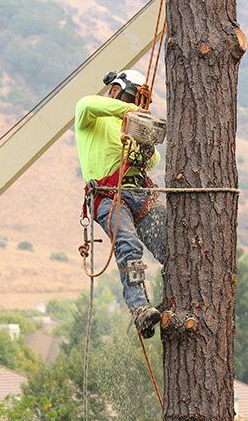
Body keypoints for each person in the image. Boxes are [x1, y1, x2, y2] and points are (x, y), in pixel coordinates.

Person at [75, 69, 166, 338]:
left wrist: (143, 141)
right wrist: (131, 112)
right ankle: (140, 308)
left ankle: (174, 296)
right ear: (119, 92)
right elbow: (89, 103)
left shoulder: (128, 127)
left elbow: (153, 161)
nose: (137, 106)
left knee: (172, 245)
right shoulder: (90, 116)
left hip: (138, 195)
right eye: (134, 99)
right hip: (107, 196)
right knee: (128, 243)